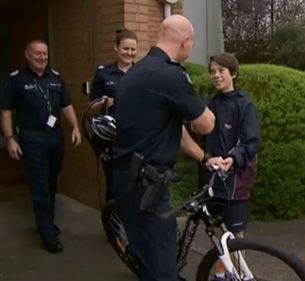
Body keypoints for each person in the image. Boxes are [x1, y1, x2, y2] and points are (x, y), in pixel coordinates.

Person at [112, 15, 215, 281]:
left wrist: (204, 157)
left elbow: (170, 127)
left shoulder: (134, 73)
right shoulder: (170, 75)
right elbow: (205, 125)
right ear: (185, 41)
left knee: (146, 258)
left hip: (126, 180)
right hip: (148, 185)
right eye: (192, 44)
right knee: (162, 267)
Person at [0, 39, 81, 253]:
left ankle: (46, 222)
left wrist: (75, 127)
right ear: (27, 54)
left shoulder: (55, 78)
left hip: (54, 137)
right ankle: (47, 235)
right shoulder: (16, 80)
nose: (42, 57)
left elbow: (66, 105)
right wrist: (10, 139)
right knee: (40, 186)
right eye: (37, 53)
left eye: (45, 53)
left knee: (51, 182)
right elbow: (6, 111)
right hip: (31, 139)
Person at [198, 53, 260, 281]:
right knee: (215, 230)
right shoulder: (208, 104)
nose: (216, 75)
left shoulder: (245, 104)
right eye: (213, 71)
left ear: (232, 73)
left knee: (235, 234)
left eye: (221, 71)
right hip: (212, 179)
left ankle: (242, 275)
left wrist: (234, 158)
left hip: (236, 181)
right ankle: (220, 275)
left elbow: (251, 142)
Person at [87, 29, 138, 201]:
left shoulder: (141, 73)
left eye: (133, 49)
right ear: (116, 48)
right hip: (112, 139)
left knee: (135, 184)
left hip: (136, 138)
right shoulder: (103, 73)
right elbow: (91, 108)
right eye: (125, 48)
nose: (129, 53)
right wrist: (101, 103)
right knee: (114, 185)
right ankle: (114, 225)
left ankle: (133, 225)